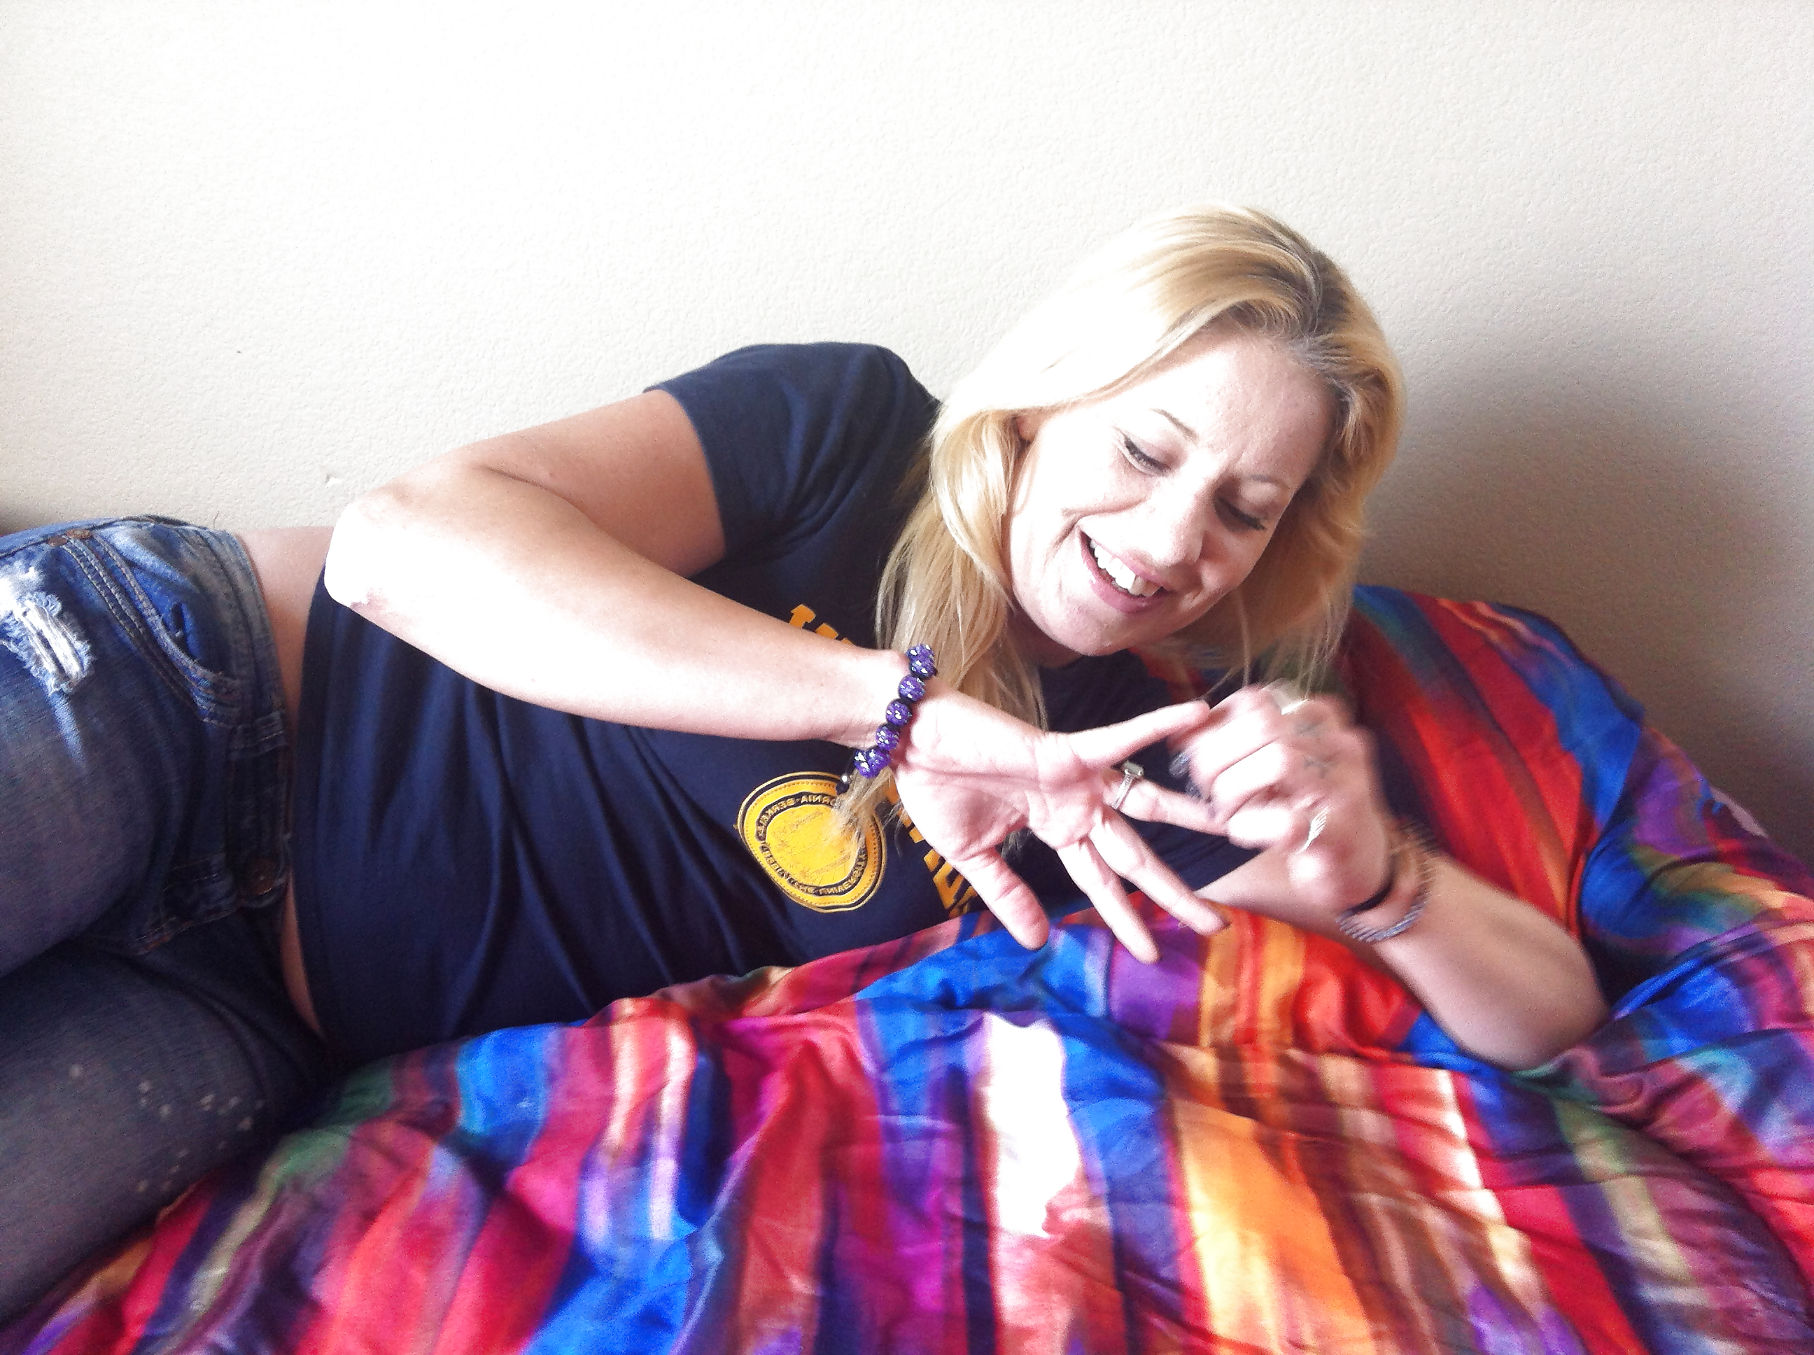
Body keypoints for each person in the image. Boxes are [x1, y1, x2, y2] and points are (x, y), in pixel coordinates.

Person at [0, 205, 1607, 1319]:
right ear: (1044, 403)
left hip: (249, 1020)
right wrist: (889, 710)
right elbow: (401, 544)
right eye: (1144, 448)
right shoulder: (850, 432)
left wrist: (1379, 876)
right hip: (188, 698)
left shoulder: (1119, 766)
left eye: (1242, 510)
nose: (1173, 535)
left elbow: (1548, 1011)